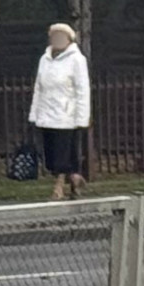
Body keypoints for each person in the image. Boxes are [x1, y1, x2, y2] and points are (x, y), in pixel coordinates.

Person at [28, 22, 91, 199]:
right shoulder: (44, 59)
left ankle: (59, 186)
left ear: (69, 40)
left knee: (61, 153)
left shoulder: (77, 60)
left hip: (66, 115)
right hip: (46, 113)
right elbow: (38, 88)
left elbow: (82, 89)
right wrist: (35, 112)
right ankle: (74, 178)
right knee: (50, 153)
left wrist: (81, 118)